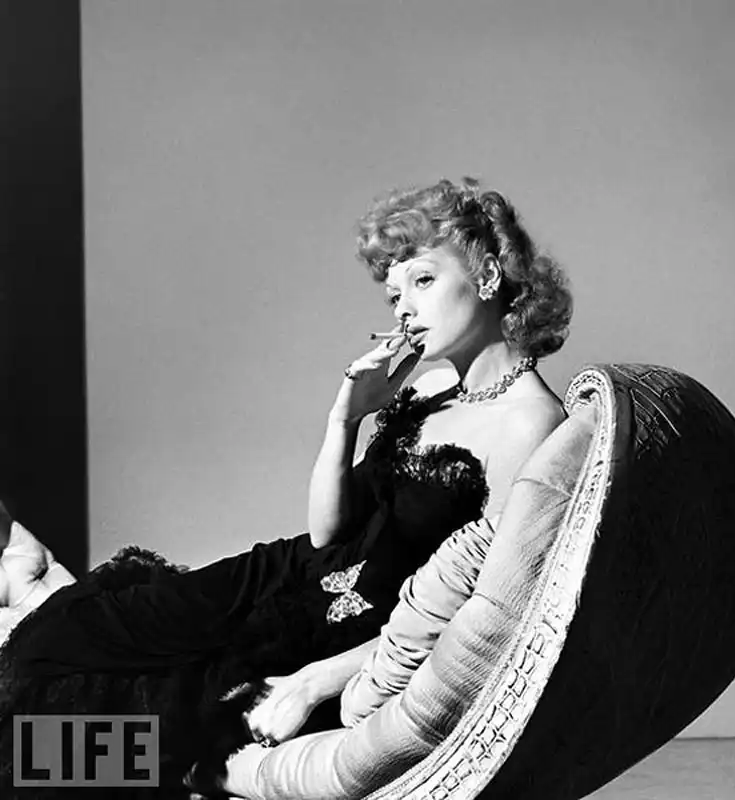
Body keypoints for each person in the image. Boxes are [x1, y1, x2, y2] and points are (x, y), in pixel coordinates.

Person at [0, 177, 572, 798]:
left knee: (106, 738)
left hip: (329, 634)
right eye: (393, 294)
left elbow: (486, 619)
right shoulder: (431, 390)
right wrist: (345, 417)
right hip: (277, 573)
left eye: (423, 281)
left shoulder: (531, 425)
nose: (403, 308)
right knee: (55, 637)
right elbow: (328, 532)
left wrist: (313, 681)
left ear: (487, 275)